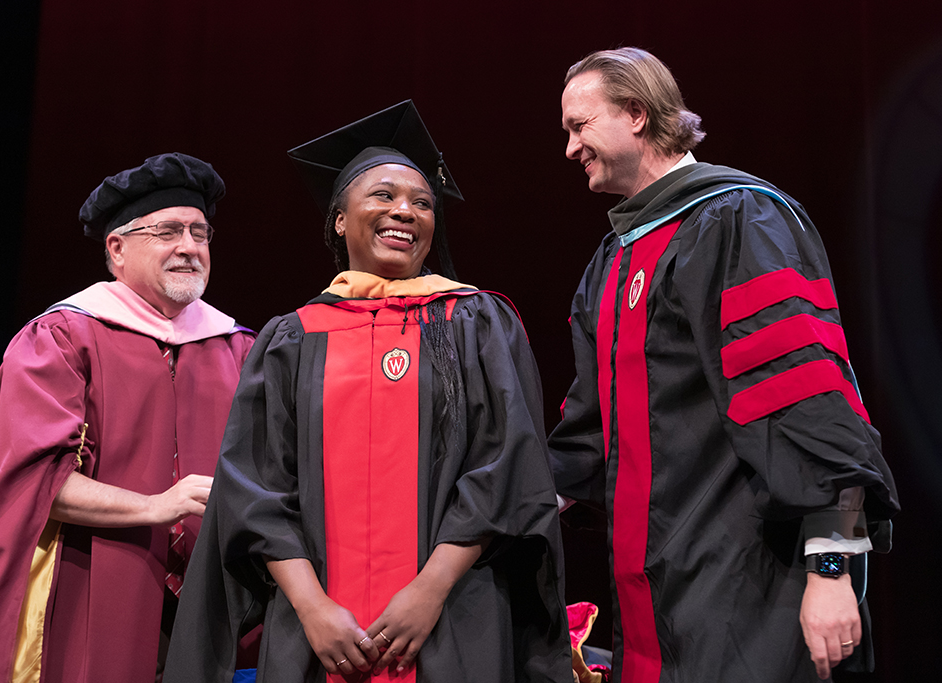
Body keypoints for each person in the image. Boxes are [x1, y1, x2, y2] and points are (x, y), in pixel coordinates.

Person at [164, 101, 571, 683]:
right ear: (339, 219)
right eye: (382, 195)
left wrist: (429, 591)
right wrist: (312, 606)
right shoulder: (292, 337)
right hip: (319, 632)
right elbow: (257, 488)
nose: (405, 210)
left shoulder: (475, 322)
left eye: (423, 202)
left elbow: (507, 468)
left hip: (453, 617)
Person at [548, 48, 900, 682]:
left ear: (634, 114)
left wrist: (831, 571)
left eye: (580, 125)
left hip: (752, 586)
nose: (570, 147)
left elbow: (809, 402)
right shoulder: (611, 263)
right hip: (657, 595)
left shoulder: (734, 218)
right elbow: (588, 434)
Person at [0, 153, 257, 683]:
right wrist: (158, 506)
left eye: (200, 232)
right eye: (168, 231)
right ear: (117, 248)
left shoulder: (241, 348)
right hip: (90, 579)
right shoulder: (61, 339)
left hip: (217, 604)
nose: (190, 247)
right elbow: (32, 482)